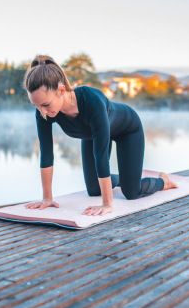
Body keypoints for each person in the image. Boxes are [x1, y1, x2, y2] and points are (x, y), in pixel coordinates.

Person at [22, 55, 178, 216]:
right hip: (93, 135)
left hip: (128, 129)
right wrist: (47, 198)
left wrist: (107, 204)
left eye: (46, 105)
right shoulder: (43, 111)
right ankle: (127, 176)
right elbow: (46, 153)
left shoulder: (91, 101)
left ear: (61, 90)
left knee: (131, 192)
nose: (42, 111)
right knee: (93, 189)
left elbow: (101, 156)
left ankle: (163, 181)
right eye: (37, 106)